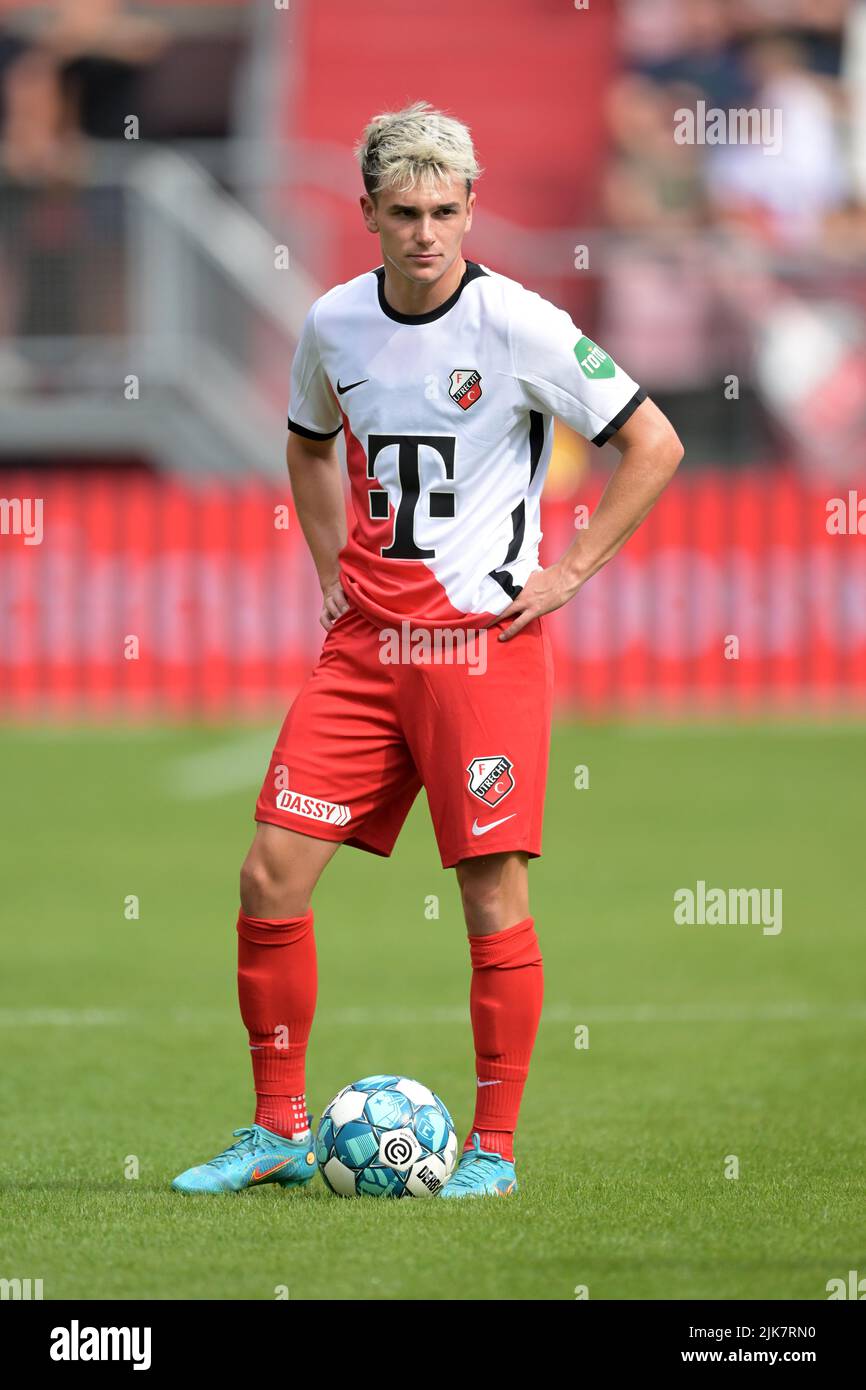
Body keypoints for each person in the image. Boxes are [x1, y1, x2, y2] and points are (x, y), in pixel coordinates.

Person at [172, 100, 683, 1198]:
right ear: (365, 211)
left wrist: (569, 569)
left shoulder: (523, 326)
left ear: (469, 208)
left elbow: (652, 440)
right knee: (269, 872)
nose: (424, 232)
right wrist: (324, 569)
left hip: (480, 648)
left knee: (490, 894)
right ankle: (275, 1130)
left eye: (444, 211)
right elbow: (309, 447)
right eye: (402, 211)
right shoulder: (333, 325)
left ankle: (491, 1151)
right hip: (363, 650)